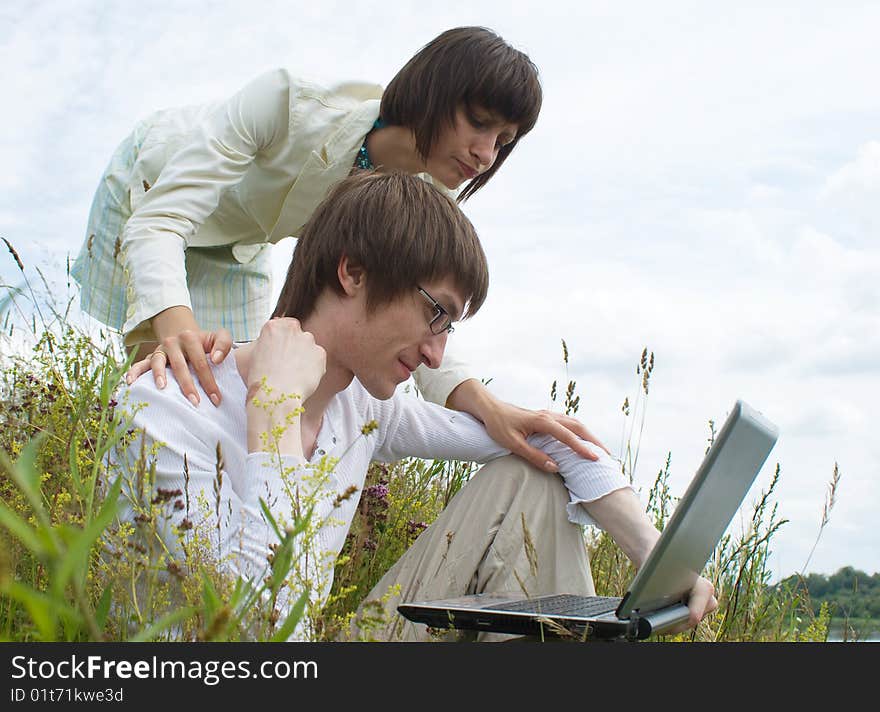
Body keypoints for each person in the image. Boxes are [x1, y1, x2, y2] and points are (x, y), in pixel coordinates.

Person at [114, 172, 717, 641]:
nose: (435, 354)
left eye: (449, 328)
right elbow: (260, 635)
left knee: (528, 476)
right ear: (353, 271)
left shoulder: (364, 406)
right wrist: (271, 413)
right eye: (436, 313)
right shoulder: (168, 407)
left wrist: (658, 559)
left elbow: (552, 446)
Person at [72, 26, 608, 477]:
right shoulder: (285, 104)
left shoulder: (429, 200)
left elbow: (418, 314)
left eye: (504, 140)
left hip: (241, 247)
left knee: (244, 389)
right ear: (434, 91)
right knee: (170, 380)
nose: (486, 154)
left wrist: (488, 407)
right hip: (152, 197)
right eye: (479, 122)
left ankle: (250, 541)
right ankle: (115, 533)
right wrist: (174, 326)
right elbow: (163, 219)